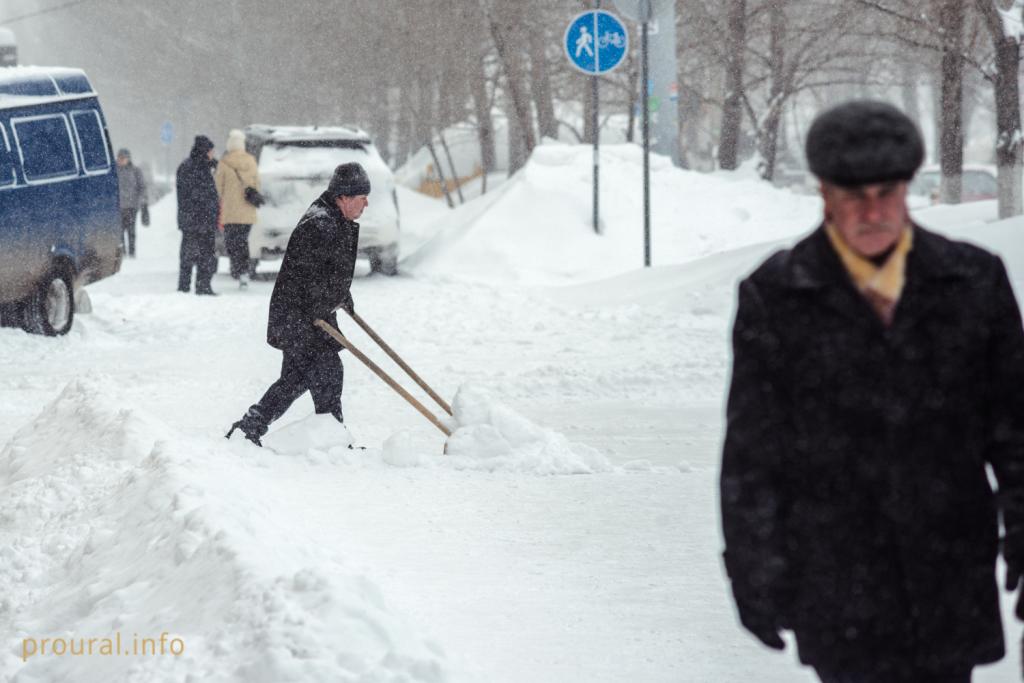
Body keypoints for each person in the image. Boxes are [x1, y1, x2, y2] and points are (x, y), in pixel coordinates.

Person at [720, 100, 1024, 683]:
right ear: (824, 194)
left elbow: (1014, 430)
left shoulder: (972, 282)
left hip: (947, 565)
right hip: (836, 574)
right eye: (852, 194)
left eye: (886, 191)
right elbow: (755, 453)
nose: (872, 210)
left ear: (908, 188)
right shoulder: (778, 295)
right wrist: (753, 567)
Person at [226, 162, 370, 446]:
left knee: (296, 378)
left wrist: (342, 295)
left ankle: (250, 427)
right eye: (362, 197)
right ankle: (333, 439)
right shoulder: (319, 225)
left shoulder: (332, 219)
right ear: (344, 197)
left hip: (306, 316)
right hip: (300, 316)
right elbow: (307, 279)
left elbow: (328, 272)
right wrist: (330, 297)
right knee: (326, 371)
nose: (367, 203)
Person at [214, 129, 260, 289]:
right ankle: (244, 272)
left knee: (232, 242)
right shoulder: (252, 161)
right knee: (243, 241)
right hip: (247, 211)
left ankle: (237, 268)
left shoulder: (224, 162)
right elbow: (256, 184)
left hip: (230, 211)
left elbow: (218, 188)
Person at [176, 135, 219, 295]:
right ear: (205, 151)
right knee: (203, 254)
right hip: (200, 219)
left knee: (190, 254)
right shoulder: (197, 168)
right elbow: (197, 194)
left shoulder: (188, 166)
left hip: (192, 220)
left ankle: (186, 286)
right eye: (211, 151)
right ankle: (201, 286)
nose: (213, 154)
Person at [115, 148, 148, 258]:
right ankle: (122, 252)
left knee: (131, 230)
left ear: (128, 159)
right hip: (118, 206)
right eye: (119, 158)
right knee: (120, 231)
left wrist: (142, 201)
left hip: (132, 206)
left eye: (123, 158)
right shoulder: (114, 170)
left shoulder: (135, 171)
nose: (121, 160)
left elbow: (142, 187)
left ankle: (132, 252)